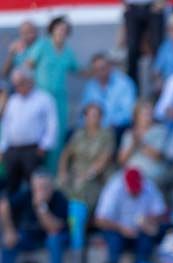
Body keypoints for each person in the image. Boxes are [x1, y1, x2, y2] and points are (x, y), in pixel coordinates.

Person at [0, 170, 68, 263]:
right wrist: (9, 230)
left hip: (52, 236)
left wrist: (41, 207)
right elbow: (4, 206)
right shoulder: (26, 194)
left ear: (51, 187)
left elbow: (53, 228)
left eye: (44, 187)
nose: (41, 191)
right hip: (29, 236)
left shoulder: (60, 198)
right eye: (38, 188)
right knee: (9, 242)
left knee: (54, 241)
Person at [20, 16, 77, 159]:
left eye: (65, 29)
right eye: (59, 28)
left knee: (58, 135)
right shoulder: (42, 45)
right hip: (41, 97)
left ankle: (54, 173)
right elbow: (28, 66)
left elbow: (80, 70)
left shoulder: (68, 52)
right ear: (52, 30)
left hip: (59, 100)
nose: (62, 31)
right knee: (38, 133)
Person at [94, 167, 166, 263]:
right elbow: (100, 220)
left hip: (140, 230)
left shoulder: (148, 185)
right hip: (117, 229)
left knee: (146, 243)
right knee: (114, 243)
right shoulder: (114, 188)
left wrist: (148, 220)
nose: (135, 193)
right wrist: (122, 229)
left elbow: (161, 212)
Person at [0, 67, 57, 195]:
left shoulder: (44, 99)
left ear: (30, 81)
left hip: (32, 149)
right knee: (10, 185)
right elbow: (6, 125)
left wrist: (44, 146)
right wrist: (3, 148)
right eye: (15, 84)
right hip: (12, 149)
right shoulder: (13, 100)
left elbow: (52, 124)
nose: (17, 87)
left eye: (20, 83)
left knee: (33, 186)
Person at [57, 101, 114, 213]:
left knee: (81, 189)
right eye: (88, 115)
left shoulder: (106, 135)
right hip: (75, 173)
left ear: (101, 117)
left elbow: (104, 159)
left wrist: (86, 175)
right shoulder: (79, 134)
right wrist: (62, 172)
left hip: (95, 177)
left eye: (95, 115)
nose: (91, 118)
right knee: (57, 186)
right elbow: (66, 154)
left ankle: (78, 225)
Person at [81, 52, 137, 132]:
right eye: (96, 70)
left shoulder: (124, 83)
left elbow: (128, 112)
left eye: (102, 68)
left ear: (110, 67)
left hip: (118, 128)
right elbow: (85, 111)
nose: (99, 73)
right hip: (96, 129)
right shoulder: (90, 86)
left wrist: (109, 123)